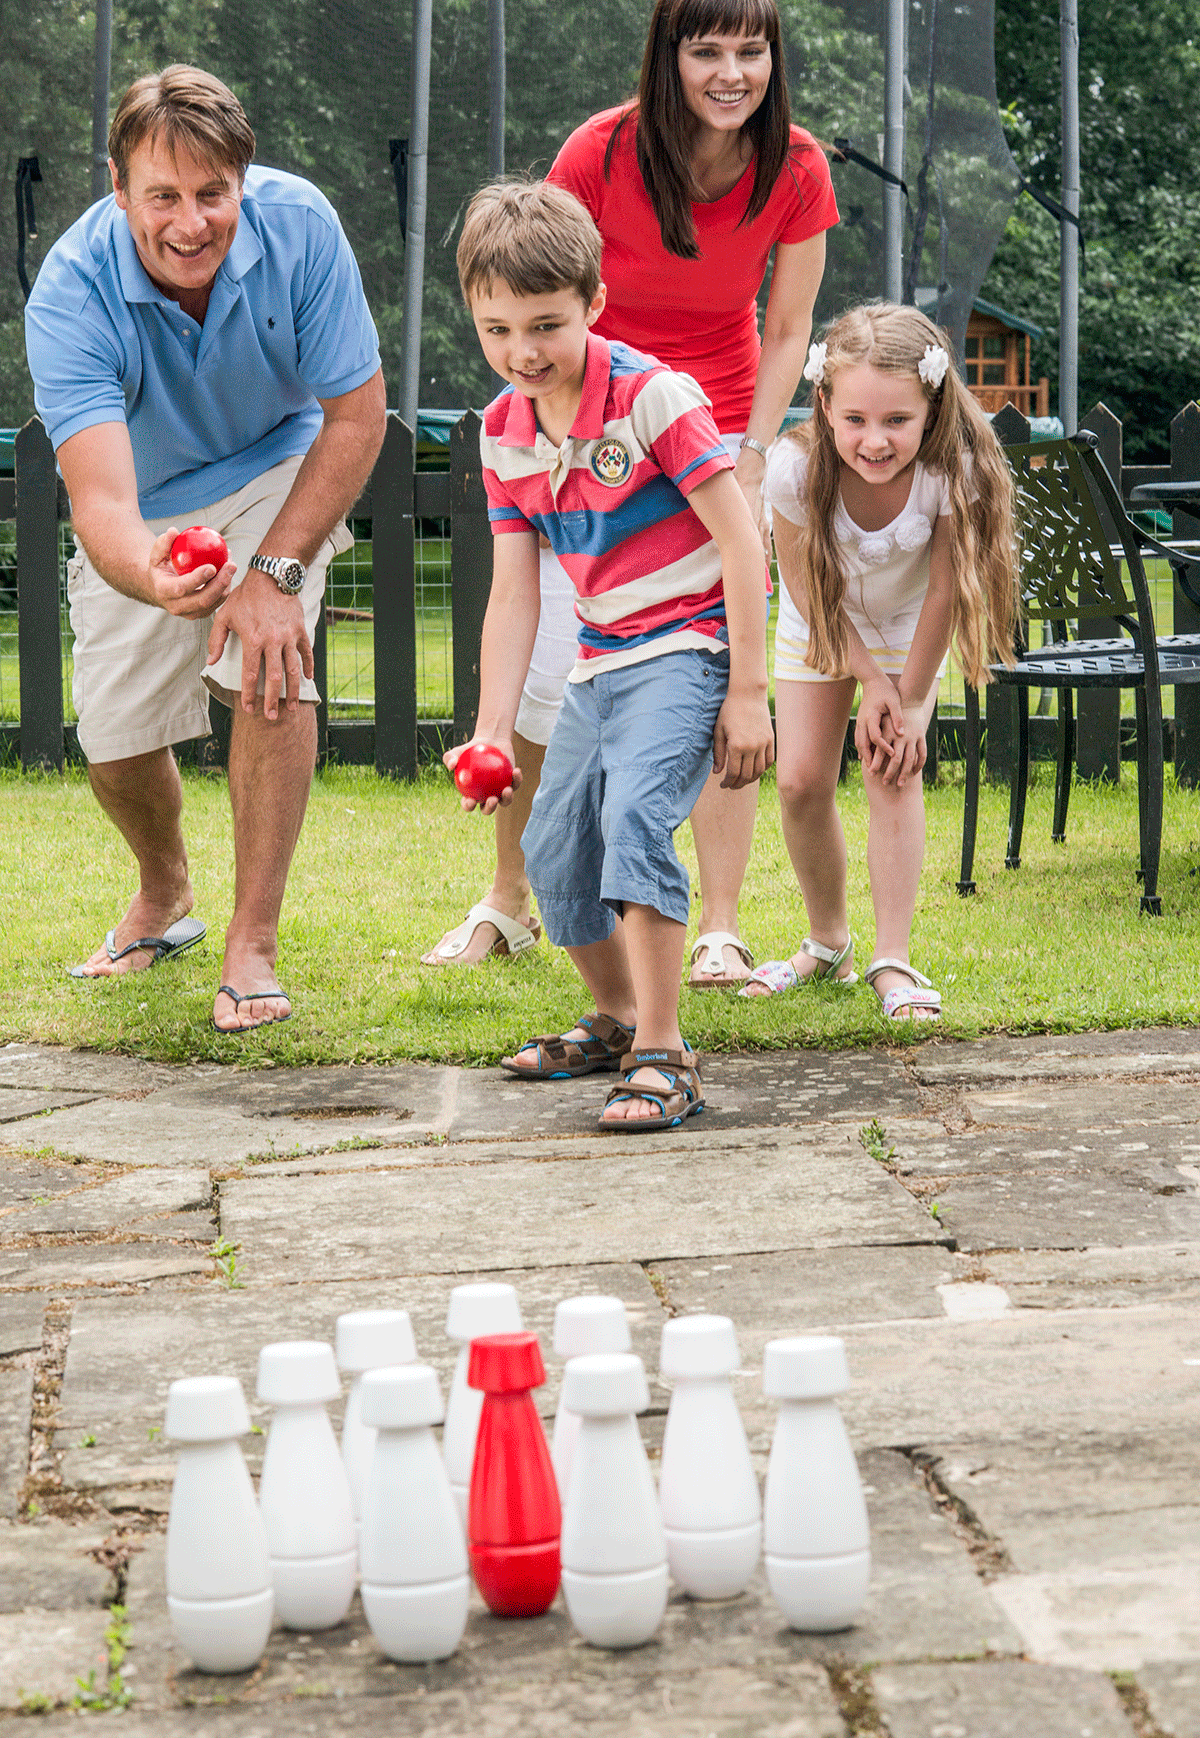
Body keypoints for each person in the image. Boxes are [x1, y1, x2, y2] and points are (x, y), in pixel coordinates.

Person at [423, 0, 836, 986]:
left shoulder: (797, 165)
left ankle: (720, 926)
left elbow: (788, 327)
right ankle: (510, 900)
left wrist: (749, 447)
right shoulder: (599, 154)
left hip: (708, 435)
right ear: (669, 55)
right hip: (592, 431)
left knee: (707, 679)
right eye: (708, 50)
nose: (731, 72)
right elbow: (538, 281)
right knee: (548, 675)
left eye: (752, 49)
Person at [24, 65, 386, 1033]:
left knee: (269, 666)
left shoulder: (302, 225)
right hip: (149, 505)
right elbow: (100, 497)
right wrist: (147, 570)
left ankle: (252, 944)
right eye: (164, 197)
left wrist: (274, 574)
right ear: (119, 188)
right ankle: (164, 889)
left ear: (243, 182)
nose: (191, 224)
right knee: (116, 741)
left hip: (281, 462)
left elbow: (356, 416)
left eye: (213, 194)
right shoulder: (69, 290)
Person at [448, 180, 774, 1129]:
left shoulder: (654, 397)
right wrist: (492, 730)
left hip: (690, 646)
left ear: (594, 303)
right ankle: (620, 1017)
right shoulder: (503, 431)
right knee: (554, 850)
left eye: (545, 325)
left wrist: (747, 692)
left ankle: (670, 1055)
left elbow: (743, 539)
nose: (522, 353)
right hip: (603, 657)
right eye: (496, 329)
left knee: (634, 821)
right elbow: (516, 591)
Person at [739, 303, 1018, 1018]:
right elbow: (809, 595)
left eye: (896, 420)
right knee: (801, 782)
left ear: (930, 408)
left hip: (906, 623)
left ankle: (891, 957)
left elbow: (947, 593)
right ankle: (828, 940)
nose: (874, 440)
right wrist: (865, 678)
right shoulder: (794, 470)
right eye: (856, 419)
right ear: (826, 405)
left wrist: (911, 700)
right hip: (823, 621)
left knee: (894, 768)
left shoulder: (951, 471)